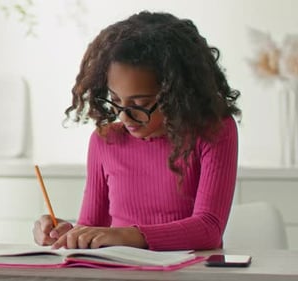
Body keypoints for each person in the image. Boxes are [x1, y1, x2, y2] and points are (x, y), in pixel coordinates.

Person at [33, 11, 241, 251]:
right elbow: (92, 227)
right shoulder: (105, 140)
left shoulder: (214, 132)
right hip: (118, 273)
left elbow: (208, 230)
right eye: (115, 99)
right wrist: (68, 234)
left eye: (140, 105)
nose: (123, 115)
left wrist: (125, 236)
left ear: (177, 95)